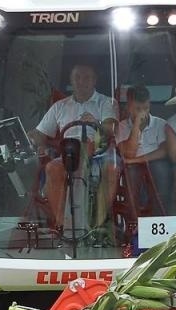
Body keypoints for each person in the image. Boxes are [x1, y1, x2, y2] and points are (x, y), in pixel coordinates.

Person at [32, 63, 117, 234]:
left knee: (112, 168)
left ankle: (98, 223)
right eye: (77, 77)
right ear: (71, 80)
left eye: (86, 77)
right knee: (52, 168)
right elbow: (39, 133)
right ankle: (63, 226)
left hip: (99, 153)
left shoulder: (106, 102)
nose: (81, 81)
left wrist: (96, 123)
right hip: (68, 154)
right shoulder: (60, 106)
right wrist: (37, 142)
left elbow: (111, 130)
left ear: (94, 80)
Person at [98, 86, 176, 227]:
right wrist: (136, 127)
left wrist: (137, 160)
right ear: (128, 107)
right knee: (131, 172)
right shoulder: (121, 126)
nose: (142, 113)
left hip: (154, 166)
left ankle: (160, 219)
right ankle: (134, 222)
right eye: (137, 109)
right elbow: (128, 153)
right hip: (132, 168)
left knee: (160, 168)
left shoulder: (160, 124)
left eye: (145, 108)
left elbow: (164, 151)